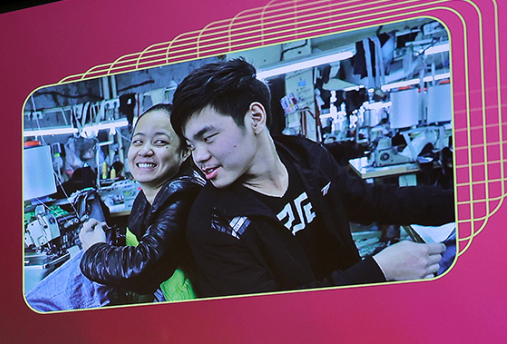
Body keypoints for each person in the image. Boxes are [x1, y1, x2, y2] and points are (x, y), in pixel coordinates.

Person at [170, 58, 453, 298]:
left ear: (255, 117)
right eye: (192, 145)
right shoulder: (211, 223)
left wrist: (466, 203)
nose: (199, 157)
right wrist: (379, 270)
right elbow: (272, 315)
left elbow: (374, 201)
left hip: (361, 309)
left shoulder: (306, 158)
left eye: (208, 138)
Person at [80, 104, 205, 301]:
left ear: (184, 152)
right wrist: (111, 236)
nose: (145, 150)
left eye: (160, 142)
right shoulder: (146, 197)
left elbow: (142, 269)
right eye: (138, 142)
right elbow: (150, 239)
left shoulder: (184, 196)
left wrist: (95, 249)